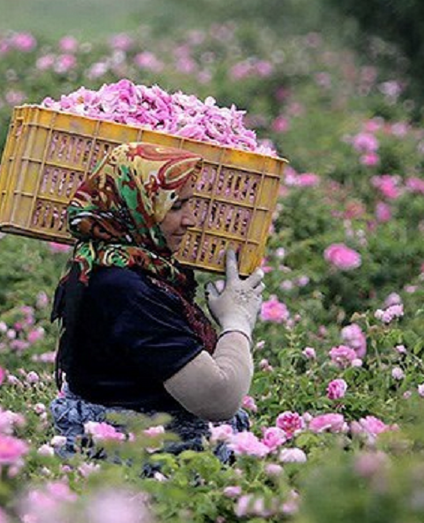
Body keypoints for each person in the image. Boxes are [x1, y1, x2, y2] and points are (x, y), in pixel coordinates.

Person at [49, 142, 265, 460]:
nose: (189, 221)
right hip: (143, 463)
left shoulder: (116, 262)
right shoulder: (123, 287)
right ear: (136, 205)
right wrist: (238, 323)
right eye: (175, 206)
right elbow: (218, 399)